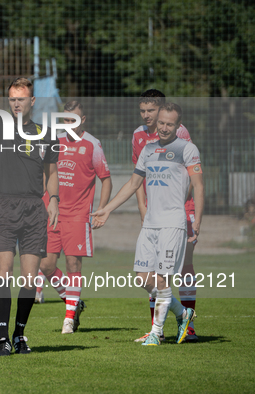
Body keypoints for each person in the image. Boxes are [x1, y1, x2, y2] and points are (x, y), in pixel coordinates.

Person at [91, 103, 204, 346]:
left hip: (173, 223)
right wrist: (107, 209)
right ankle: (184, 314)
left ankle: (156, 333)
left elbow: (199, 186)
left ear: (178, 126)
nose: (164, 128)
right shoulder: (148, 149)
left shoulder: (187, 149)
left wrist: (197, 223)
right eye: (161, 123)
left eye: (169, 124)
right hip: (150, 223)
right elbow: (133, 185)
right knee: (143, 278)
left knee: (162, 278)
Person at [0, 29, 60, 356]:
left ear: (31, 101)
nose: (15, 102)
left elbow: (51, 173)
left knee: (29, 277)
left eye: (20, 98)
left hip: (34, 209)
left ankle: (21, 334)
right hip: (5, 206)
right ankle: (1, 338)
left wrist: (52, 199)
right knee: (3, 271)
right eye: (11, 98)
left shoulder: (45, 132)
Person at [36, 101, 112, 334]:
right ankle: (74, 302)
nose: (69, 125)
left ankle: (69, 319)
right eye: (66, 120)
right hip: (52, 212)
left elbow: (106, 179)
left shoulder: (92, 145)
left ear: (83, 120)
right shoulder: (54, 141)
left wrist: (101, 209)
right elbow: (41, 173)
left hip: (78, 215)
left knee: (72, 264)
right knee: (45, 265)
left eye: (74, 120)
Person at [132, 89, 198, 342]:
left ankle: (185, 328)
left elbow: (191, 176)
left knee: (182, 268)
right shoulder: (139, 136)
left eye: (152, 110)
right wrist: (142, 207)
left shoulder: (180, 133)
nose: (147, 115)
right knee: (149, 273)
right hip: (153, 212)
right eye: (143, 111)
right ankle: (169, 321)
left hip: (180, 210)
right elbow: (137, 175)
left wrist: (179, 203)